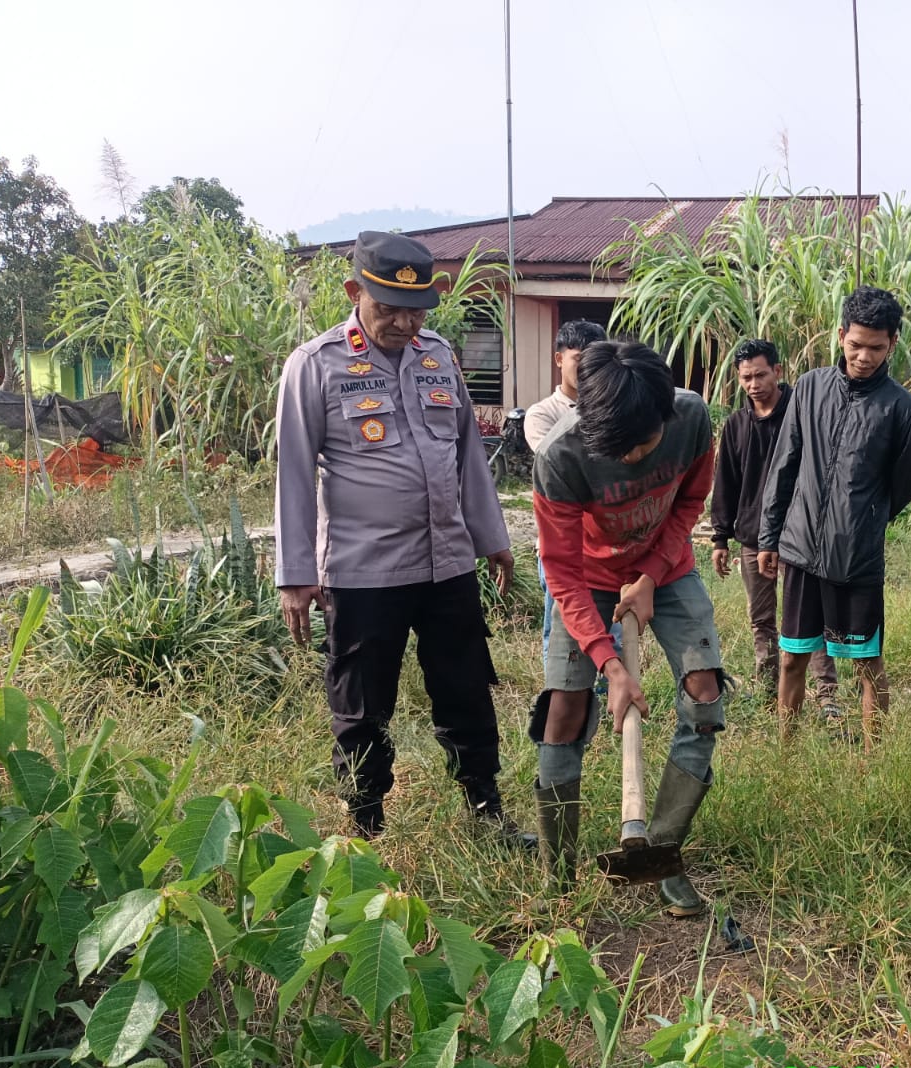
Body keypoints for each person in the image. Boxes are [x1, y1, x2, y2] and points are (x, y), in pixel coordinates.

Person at [274, 230, 528, 845]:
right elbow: (295, 471)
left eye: (414, 311)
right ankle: (364, 829)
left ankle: (486, 810)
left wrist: (492, 538)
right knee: (363, 706)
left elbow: (469, 456)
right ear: (353, 291)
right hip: (363, 574)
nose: (402, 322)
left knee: (467, 688)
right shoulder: (315, 365)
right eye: (388, 306)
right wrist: (296, 574)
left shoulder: (438, 355)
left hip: (447, 565)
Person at [530, 340, 726, 917]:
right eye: (622, 450)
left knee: (705, 694)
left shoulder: (691, 418)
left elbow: (691, 501)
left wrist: (649, 574)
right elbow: (561, 572)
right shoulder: (561, 457)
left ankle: (661, 854)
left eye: (646, 444)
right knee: (565, 710)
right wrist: (610, 664)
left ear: (666, 416)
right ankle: (558, 876)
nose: (637, 458)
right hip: (586, 580)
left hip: (666, 570)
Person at [756, 287, 911, 749]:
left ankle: (873, 761)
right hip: (800, 551)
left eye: (876, 346)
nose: (864, 356)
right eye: (855, 345)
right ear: (840, 336)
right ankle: (785, 753)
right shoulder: (809, 388)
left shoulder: (902, 409)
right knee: (792, 659)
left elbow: (904, 485)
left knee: (866, 662)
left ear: (893, 342)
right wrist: (769, 538)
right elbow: (785, 465)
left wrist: (863, 522)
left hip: (857, 559)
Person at [709, 339, 838, 710]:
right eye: (746, 378)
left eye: (761, 375)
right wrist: (720, 537)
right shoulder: (736, 424)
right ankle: (768, 692)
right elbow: (726, 483)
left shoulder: (802, 412)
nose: (753, 384)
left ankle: (827, 697)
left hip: (800, 536)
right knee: (761, 620)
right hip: (751, 536)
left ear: (778, 371)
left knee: (809, 620)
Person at [523, 319, 618, 668]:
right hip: (563, 547)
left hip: (608, 549)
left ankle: (612, 707)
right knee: (563, 639)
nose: (588, 370)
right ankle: (563, 709)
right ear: (559, 359)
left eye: (597, 361)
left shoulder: (613, 409)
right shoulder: (541, 414)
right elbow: (563, 469)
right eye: (580, 360)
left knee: (613, 637)